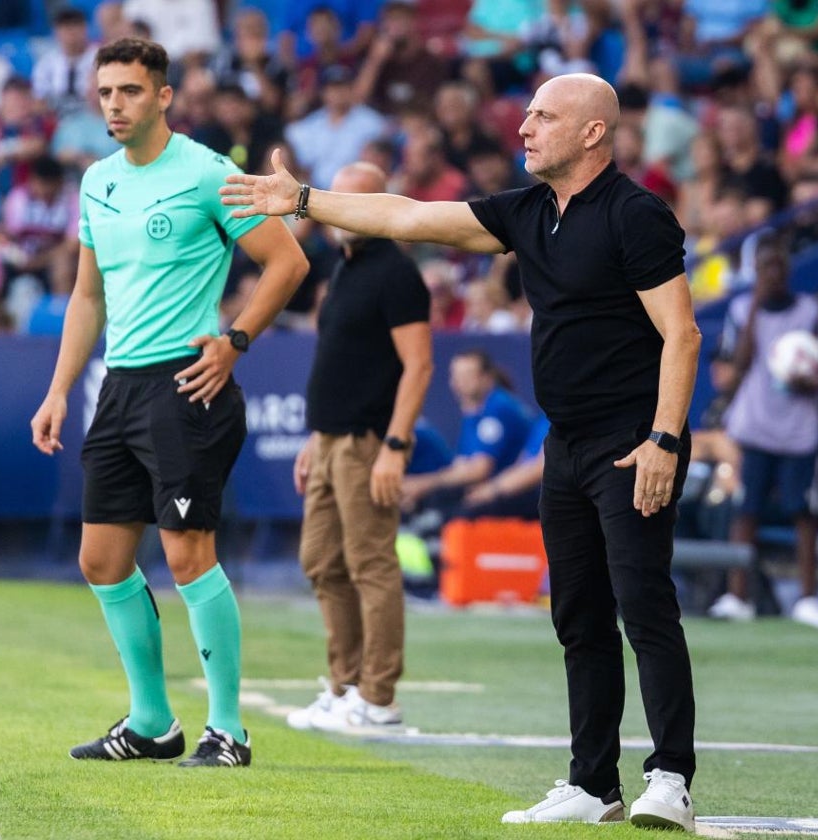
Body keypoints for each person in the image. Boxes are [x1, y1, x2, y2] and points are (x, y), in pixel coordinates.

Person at [222, 71, 702, 829]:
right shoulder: (529, 212)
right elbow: (406, 216)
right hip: (566, 443)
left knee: (644, 608)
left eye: (544, 116)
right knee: (578, 615)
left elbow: (682, 332)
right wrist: (305, 200)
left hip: (630, 442)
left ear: (593, 132)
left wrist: (665, 440)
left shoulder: (635, 216)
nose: (525, 127)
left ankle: (670, 776)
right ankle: (594, 783)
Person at [29, 39, 308, 768]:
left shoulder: (209, 173)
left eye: (128, 90)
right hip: (117, 387)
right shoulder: (96, 181)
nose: (113, 105)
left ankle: (228, 730)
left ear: (164, 96)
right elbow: (87, 295)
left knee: (188, 558)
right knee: (101, 560)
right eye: (105, 93)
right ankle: (153, 723)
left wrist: (235, 340)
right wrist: (60, 389)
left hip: (186, 382)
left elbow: (289, 261)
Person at [287, 161, 433, 733]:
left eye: (348, 200)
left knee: (371, 564)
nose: (335, 209)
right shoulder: (345, 270)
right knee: (321, 561)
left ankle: (377, 698)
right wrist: (313, 438)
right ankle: (344, 685)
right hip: (328, 440)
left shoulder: (396, 274)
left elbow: (418, 366)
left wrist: (395, 445)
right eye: (330, 199)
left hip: (367, 442)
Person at [708, 233, 818, 630]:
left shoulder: (810, 310)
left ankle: (809, 598)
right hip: (754, 425)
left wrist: (806, 378)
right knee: (746, 511)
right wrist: (756, 308)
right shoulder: (743, 308)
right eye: (765, 268)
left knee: (804, 511)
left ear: (788, 269)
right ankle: (738, 595)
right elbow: (737, 364)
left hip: (800, 429)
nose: (773, 274)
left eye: (778, 266)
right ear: (755, 272)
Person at [400, 349, 533, 513]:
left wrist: (423, 484)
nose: (459, 383)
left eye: (467, 376)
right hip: (493, 488)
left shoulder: (497, 407)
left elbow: (479, 470)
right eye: (455, 376)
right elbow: (463, 465)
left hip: (517, 493)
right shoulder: (474, 411)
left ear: (487, 378)